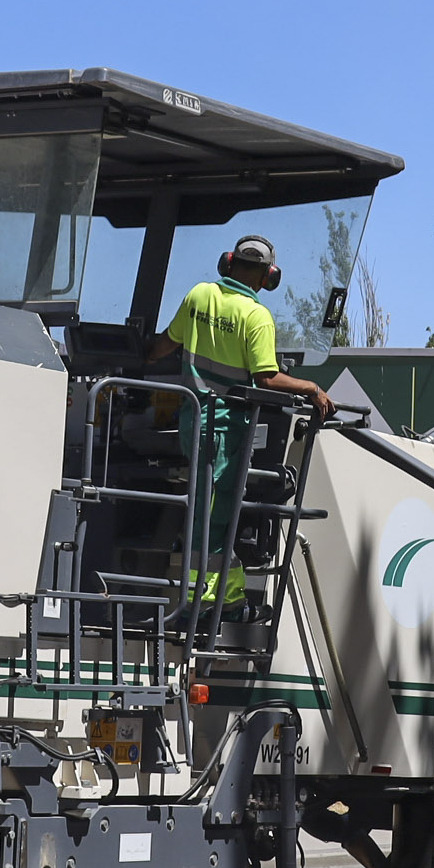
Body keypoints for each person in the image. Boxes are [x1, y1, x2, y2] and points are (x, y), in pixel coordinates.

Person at [149, 233, 331, 608]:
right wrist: (311, 388)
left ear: (228, 263)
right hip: (224, 430)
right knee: (216, 514)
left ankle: (219, 591)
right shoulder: (256, 316)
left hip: (192, 422)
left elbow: (166, 343)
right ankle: (204, 594)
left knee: (207, 506)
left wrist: (141, 357)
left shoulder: (199, 296)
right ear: (269, 277)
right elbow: (267, 378)